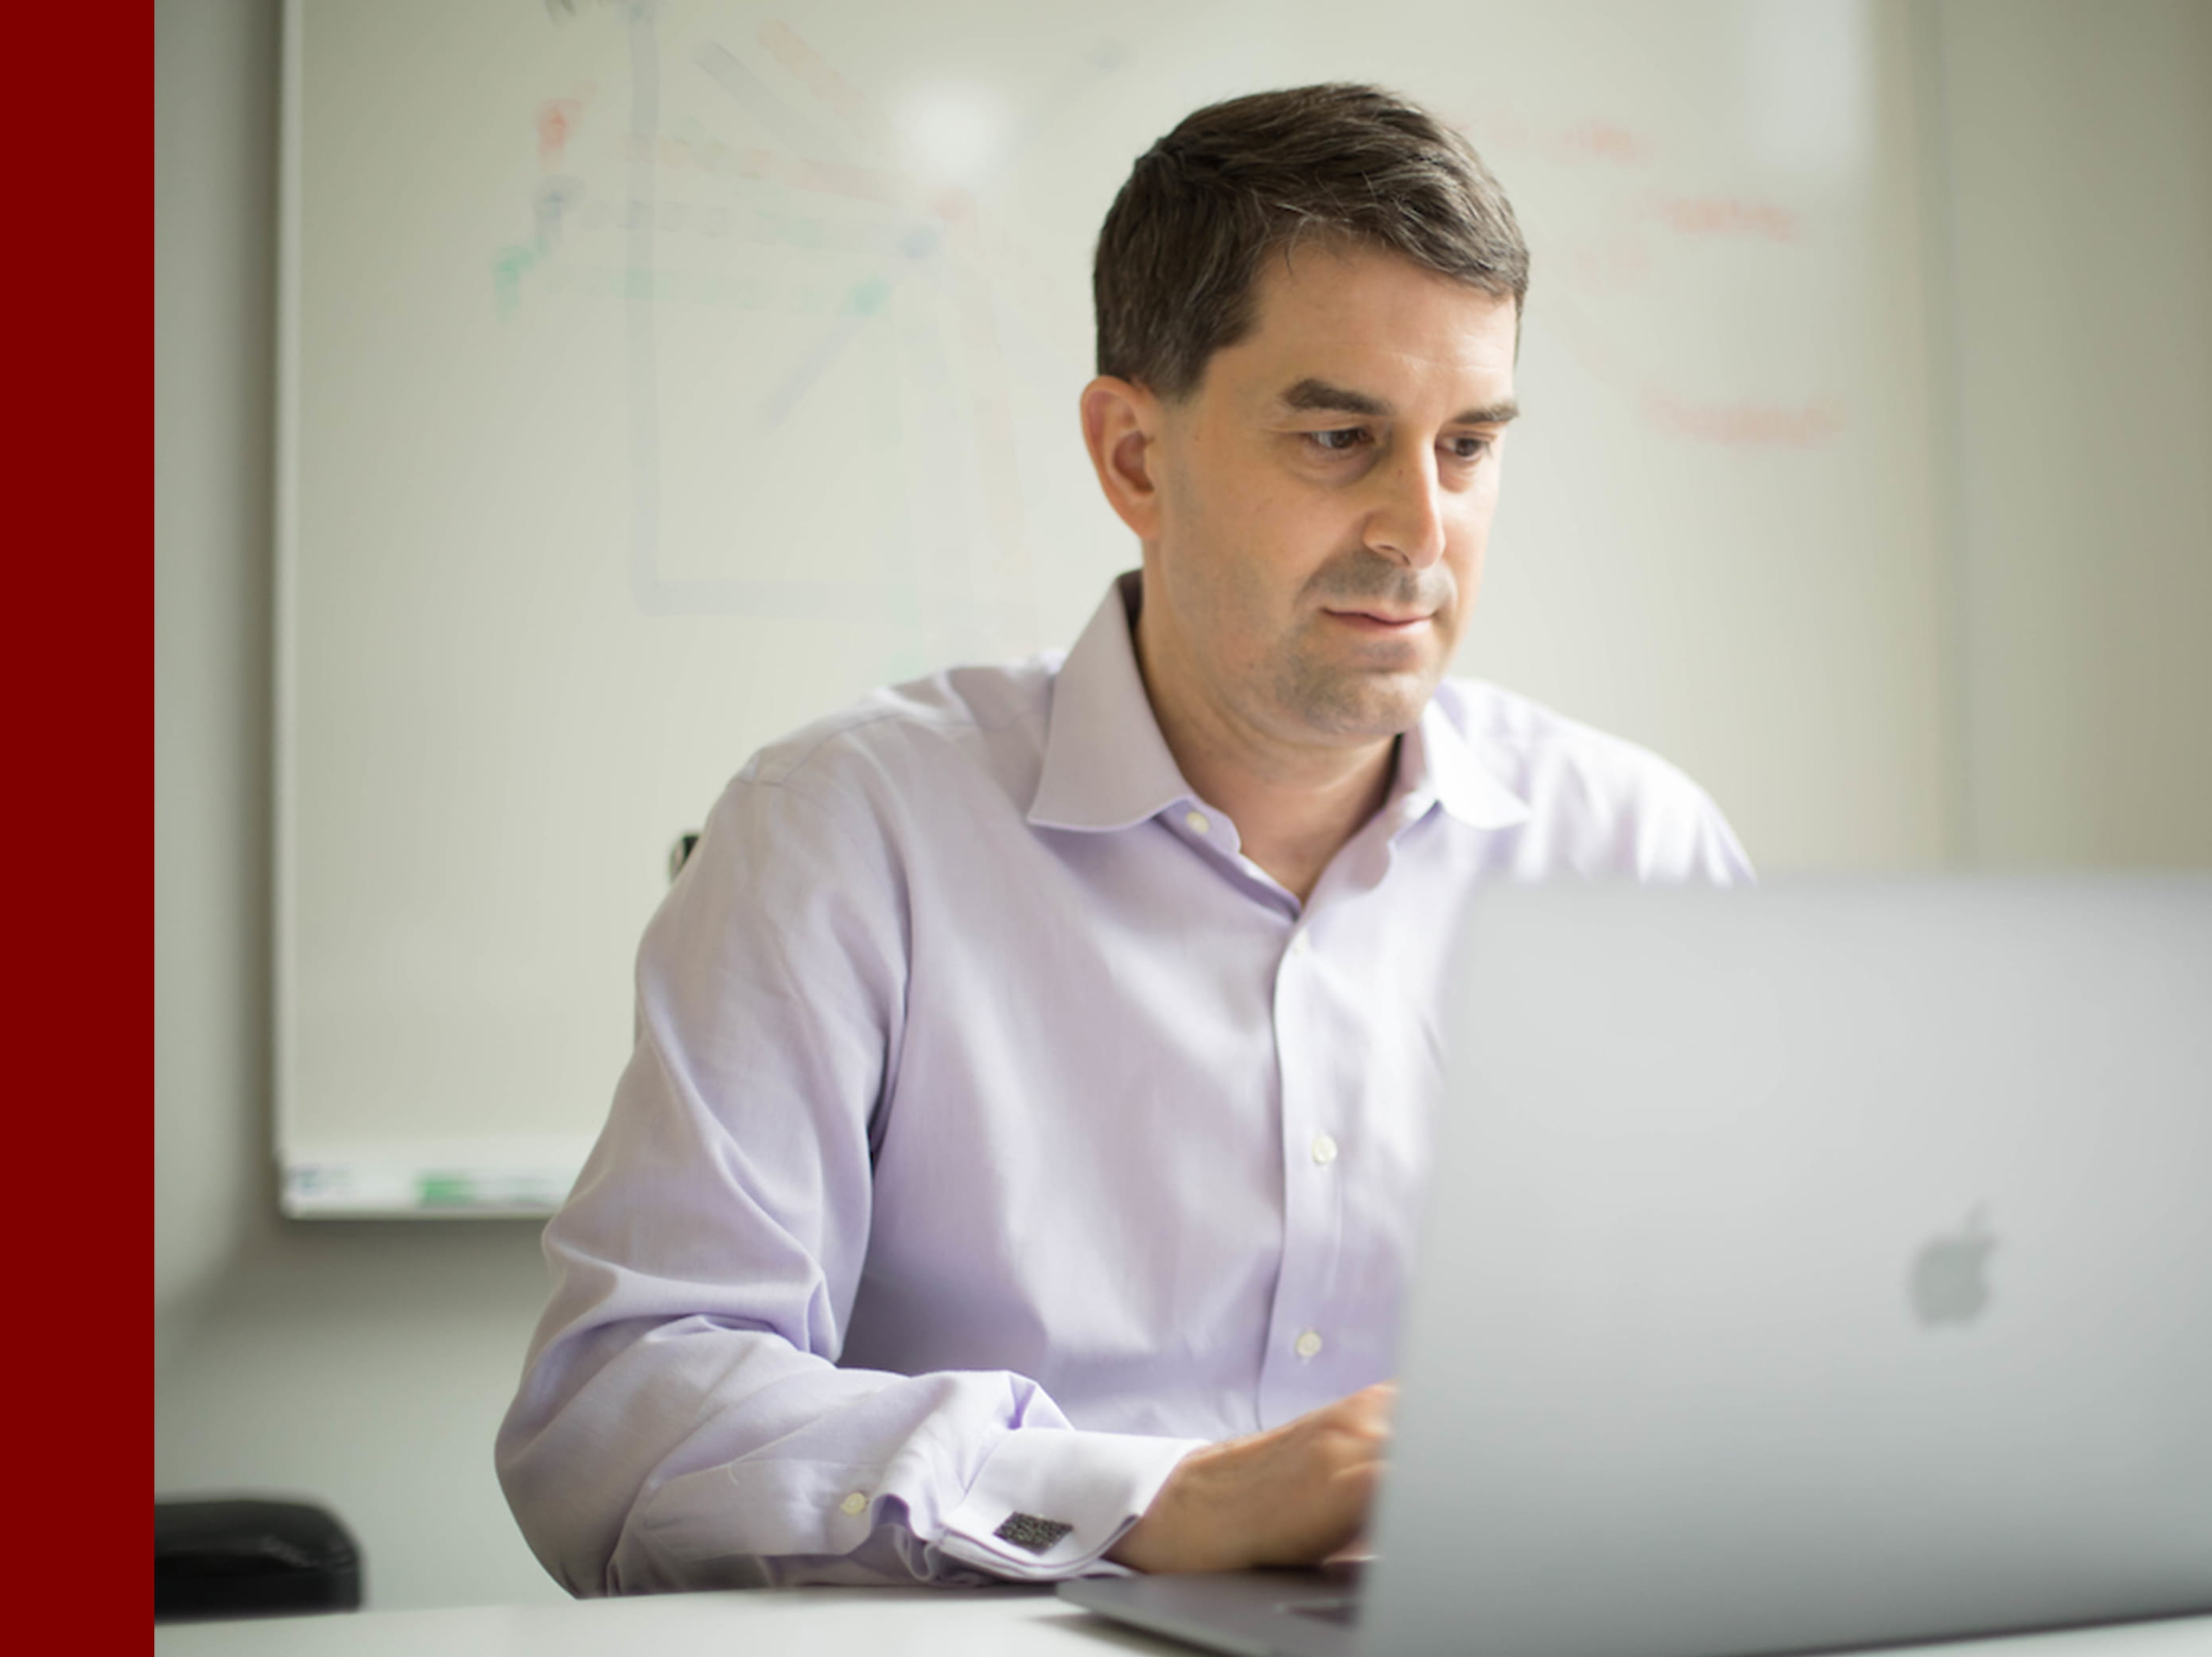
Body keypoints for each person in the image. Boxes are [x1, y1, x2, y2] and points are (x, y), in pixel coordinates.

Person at [495, 82, 1751, 1595]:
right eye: (1342, 436)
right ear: (1135, 457)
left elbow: (1782, 1361)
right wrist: (1158, 1500)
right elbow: (617, 1424)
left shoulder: (1638, 851)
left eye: (1469, 445)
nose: (1422, 528)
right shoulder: (843, 836)